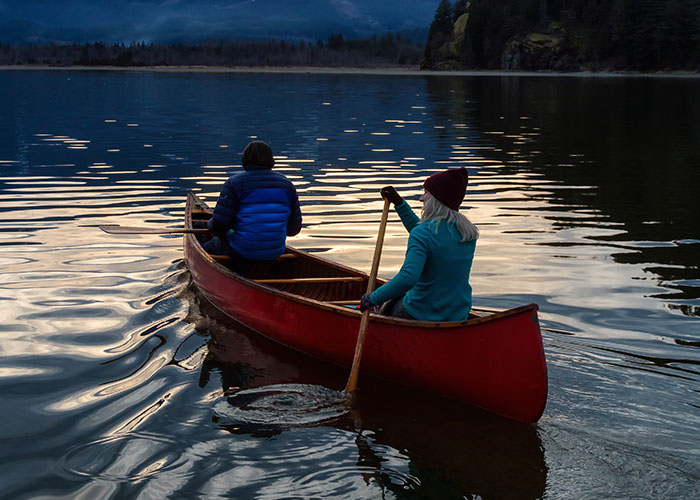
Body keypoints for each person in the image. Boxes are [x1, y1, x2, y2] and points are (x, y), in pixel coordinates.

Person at [360, 167, 478, 322]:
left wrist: (372, 298)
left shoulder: (423, 233)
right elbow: (428, 235)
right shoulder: (466, 232)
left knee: (392, 298)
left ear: (437, 199)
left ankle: (377, 313)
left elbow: (408, 278)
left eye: (426, 193)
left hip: (422, 313)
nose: (422, 199)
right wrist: (400, 204)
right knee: (395, 292)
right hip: (457, 313)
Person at [203, 140, 302, 261]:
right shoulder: (287, 185)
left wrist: (209, 225)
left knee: (208, 244)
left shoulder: (234, 183)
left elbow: (219, 227)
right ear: (271, 161)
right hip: (275, 251)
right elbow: (293, 230)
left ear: (245, 160)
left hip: (243, 250)